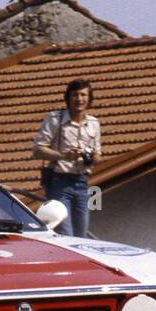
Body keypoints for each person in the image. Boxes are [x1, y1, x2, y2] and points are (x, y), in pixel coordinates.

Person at [32, 78, 101, 238]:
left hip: (82, 183)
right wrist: (64, 156)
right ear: (68, 98)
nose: (79, 99)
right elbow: (38, 150)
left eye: (83, 95)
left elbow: (98, 156)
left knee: (81, 236)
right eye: (75, 95)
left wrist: (90, 157)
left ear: (89, 99)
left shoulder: (93, 123)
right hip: (59, 183)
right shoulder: (55, 119)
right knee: (65, 234)